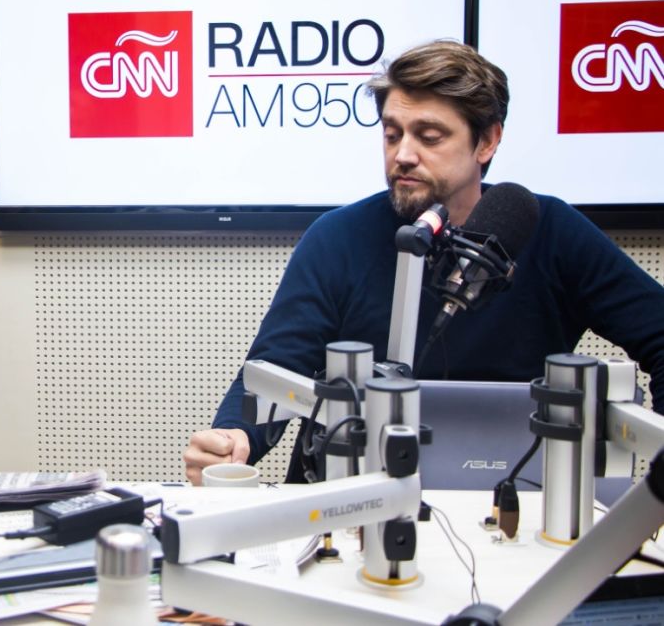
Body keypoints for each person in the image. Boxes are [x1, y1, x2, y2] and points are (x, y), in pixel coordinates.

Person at [183, 40, 664, 485]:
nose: (403, 155)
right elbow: (277, 368)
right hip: (346, 506)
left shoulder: (552, 231)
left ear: (487, 142)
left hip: (512, 508)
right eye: (392, 135)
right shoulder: (336, 237)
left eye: (429, 137)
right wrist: (235, 438)